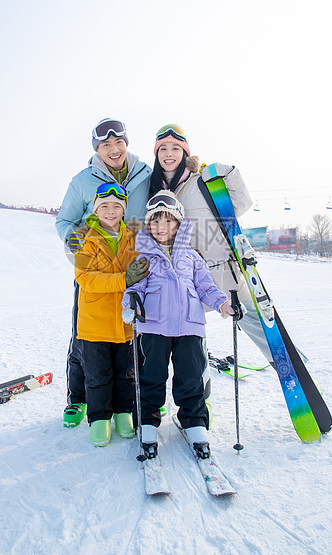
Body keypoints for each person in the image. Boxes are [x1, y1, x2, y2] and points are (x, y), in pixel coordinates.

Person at [149, 123, 275, 365]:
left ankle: (296, 378)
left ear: (185, 152)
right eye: (162, 148)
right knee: (192, 343)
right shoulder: (156, 191)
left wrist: (230, 175)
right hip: (188, 279)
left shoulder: (201, 182)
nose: (169, 154)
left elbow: (239, 206)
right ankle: (200, 398)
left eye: (175, 148)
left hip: (227, 273)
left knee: (261, 330)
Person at [122, 191, 233, 459]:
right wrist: (131, 305)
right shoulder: (144, 258)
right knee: (151, 378)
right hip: (154, 328)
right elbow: (135, 287)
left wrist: (222, 304)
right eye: (156, 222)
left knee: (190, 378)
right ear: (149, 226)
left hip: (189, 327)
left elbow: (206, 286)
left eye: (168, 221)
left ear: (179, 224)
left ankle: (193, 421)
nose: (162, 228)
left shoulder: (192, 257)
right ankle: (148, 422)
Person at [55, 119, 151, 428]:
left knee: (132, 336)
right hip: (95, 268)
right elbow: (64, 222)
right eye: (105, 145)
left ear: (126, 143)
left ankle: (132, 401)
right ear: (97, 149)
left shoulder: (145, 175)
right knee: (85, 337)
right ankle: (78, 398)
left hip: (132, 266)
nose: (113, 149)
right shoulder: (83, 181)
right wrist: (81, 251)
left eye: (118, 142)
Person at [74, 182, 149, 446]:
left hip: (124, 321)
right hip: (95, 322)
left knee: (125, 372)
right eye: (104, 205)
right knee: (97, 375)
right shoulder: (85, 237)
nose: (110, 211)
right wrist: (122, 279)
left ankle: (123, 412)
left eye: (116, 206)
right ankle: (99, 418)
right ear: (96, 209)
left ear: (123, 210)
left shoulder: (133, 236)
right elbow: (85, 277)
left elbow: (142, 268)